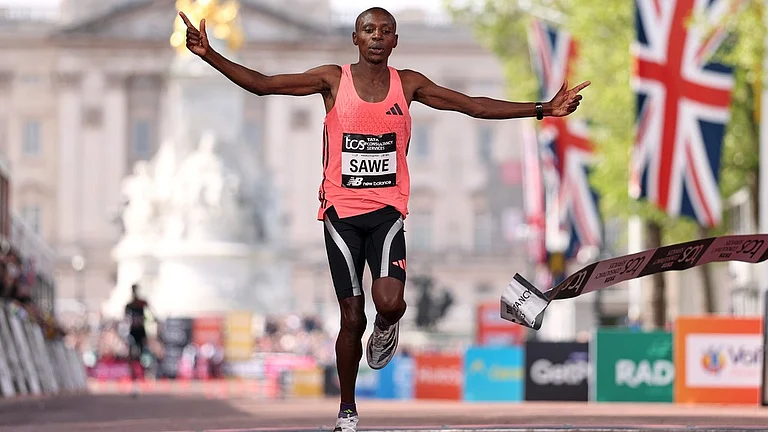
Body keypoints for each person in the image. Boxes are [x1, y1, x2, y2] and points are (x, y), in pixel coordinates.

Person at [178, 7, 589, 431]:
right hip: (340, 214)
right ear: (355, 39)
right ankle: (347, 410)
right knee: (350, 317)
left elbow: (472, 106)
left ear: (395, 41)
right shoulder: (332, 80)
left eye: (385, 31)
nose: (376, 36)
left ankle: (387, 327)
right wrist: (209, 54)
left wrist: (543, 108)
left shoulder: (407, 84)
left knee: (389, 303)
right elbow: (263, 85)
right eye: (368, 30)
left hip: (388, 212)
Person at [124, 283, 157, 393]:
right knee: (132, 354)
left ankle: (146, 372)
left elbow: (152, 314)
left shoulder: (141, 303)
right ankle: (134, 376)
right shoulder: (129, 305)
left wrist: (149, 320)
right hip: (133, 332)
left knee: (144, 353)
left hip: (140, 332)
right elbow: (125, 319)